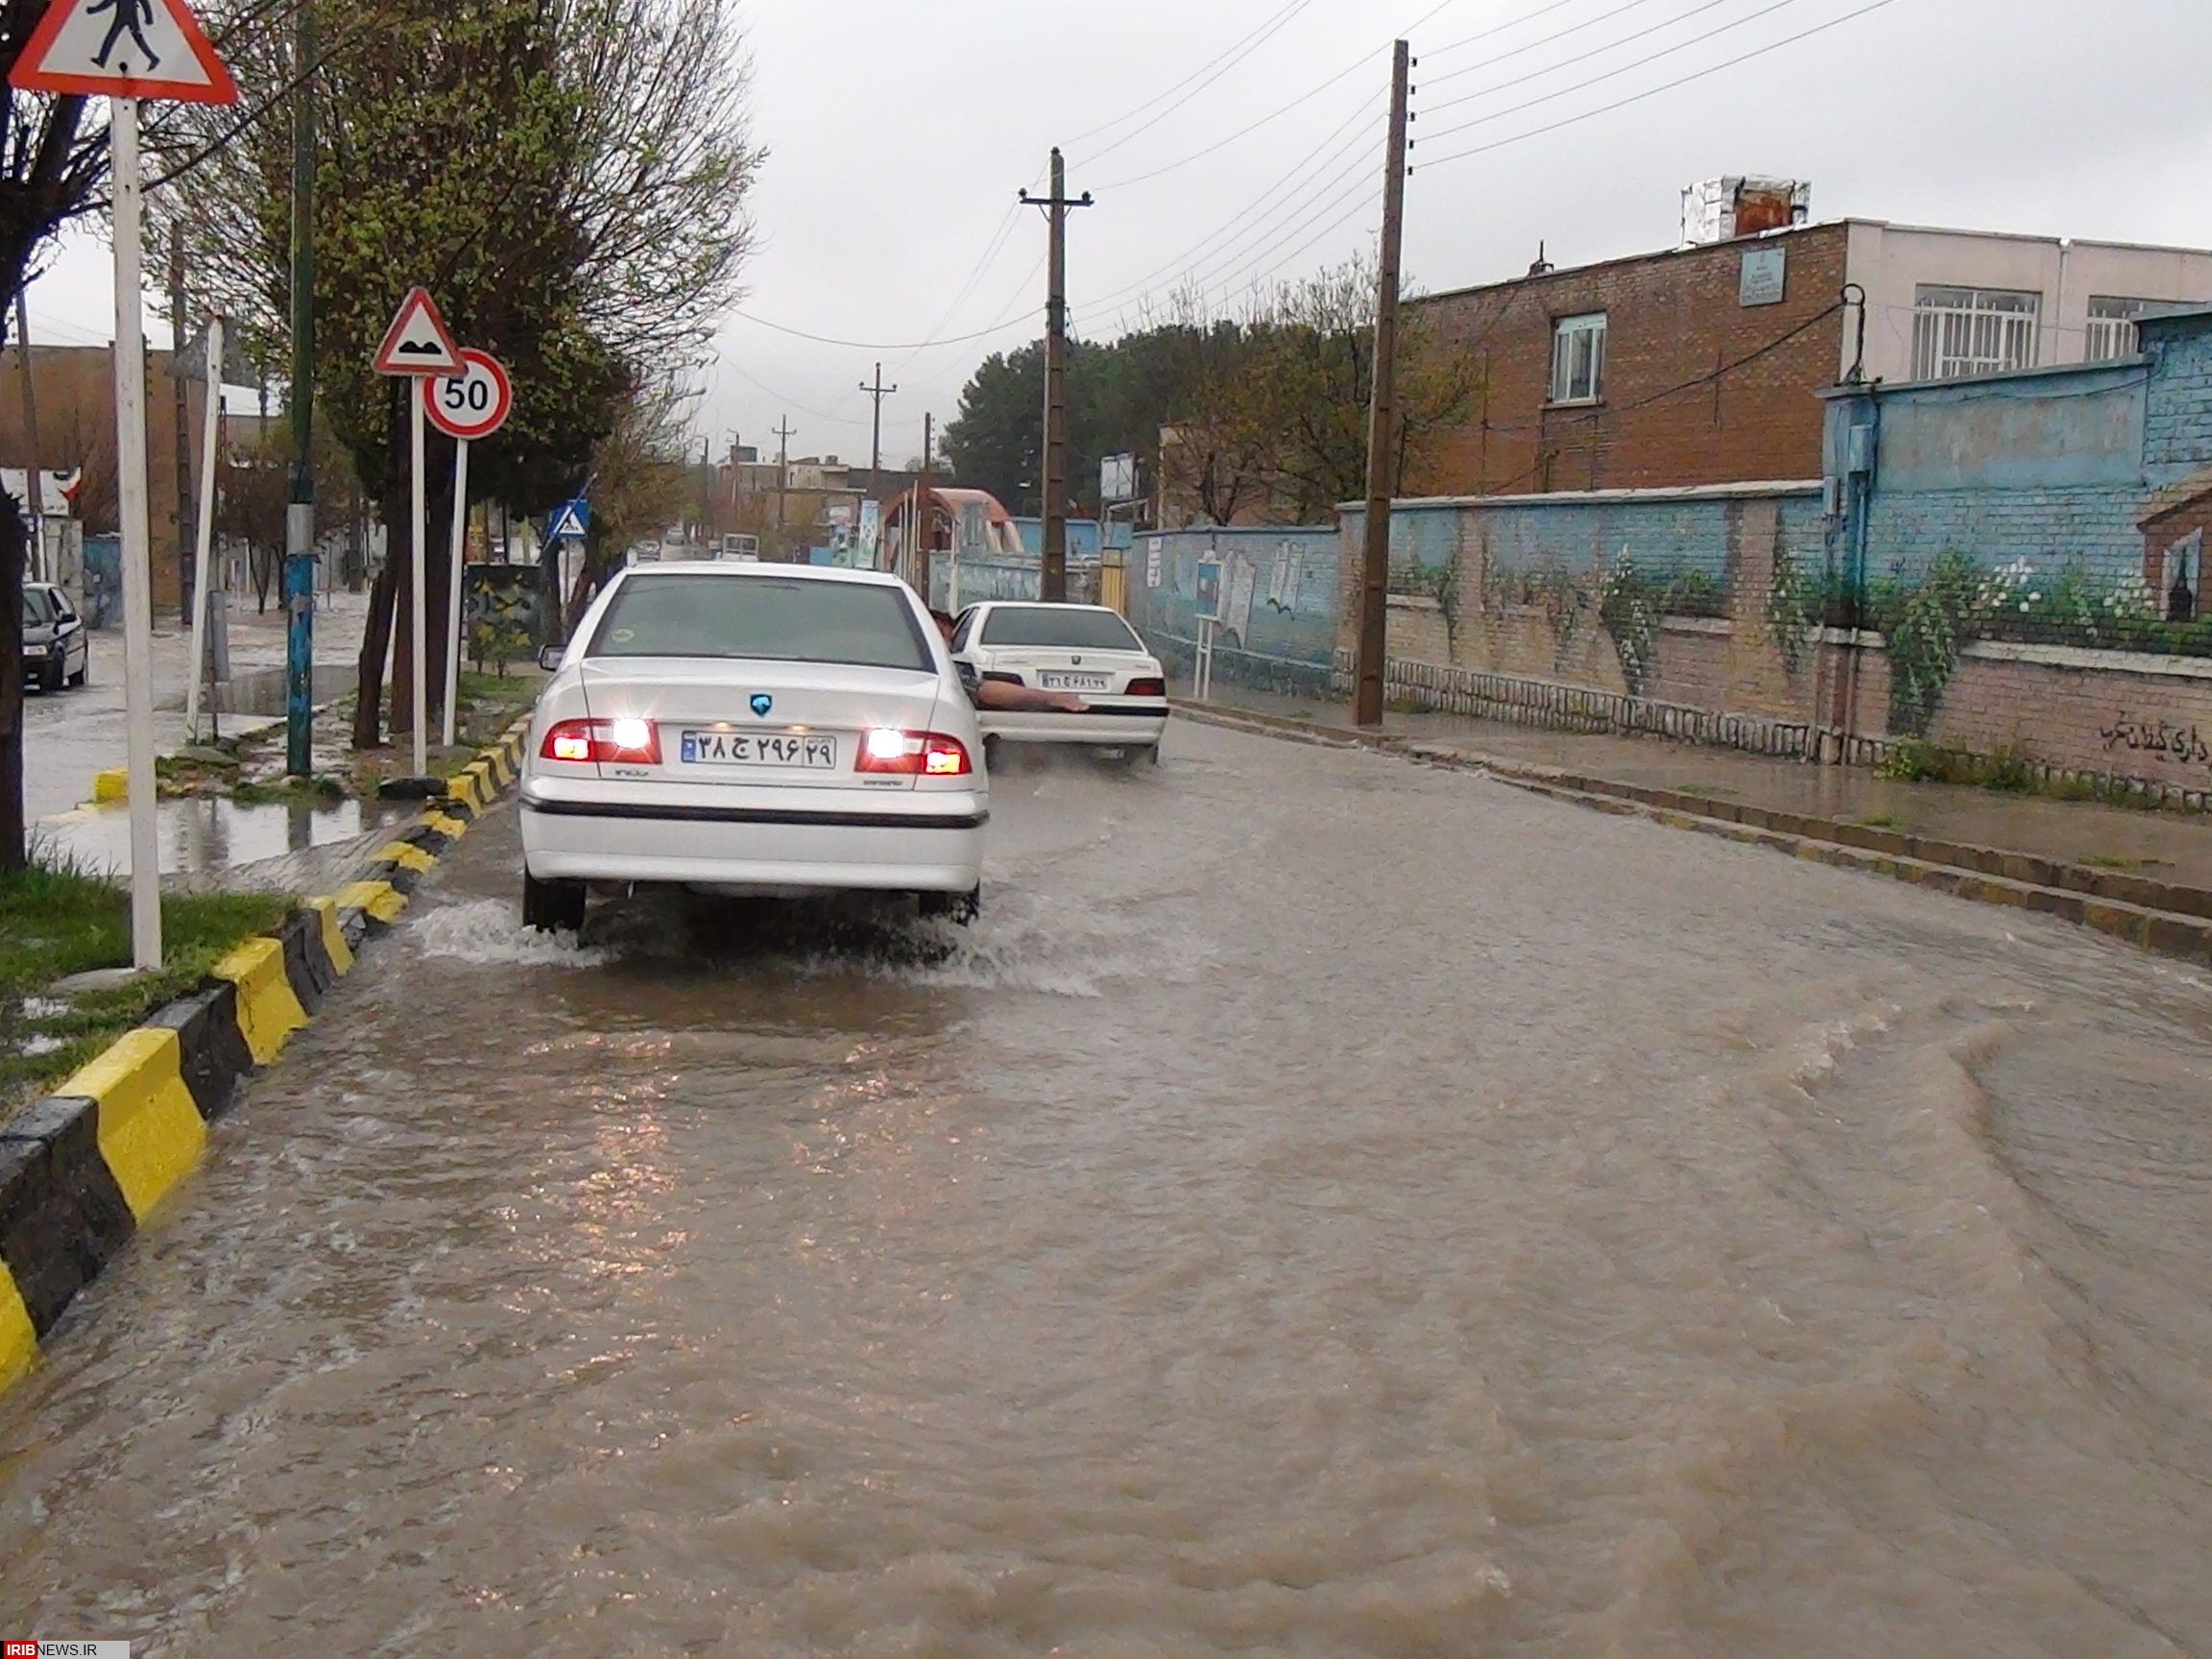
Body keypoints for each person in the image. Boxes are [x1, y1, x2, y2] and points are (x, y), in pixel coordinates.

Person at [931, 610, 1085, 712]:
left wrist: (1052, 698)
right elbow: (983, 691)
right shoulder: (942, 666)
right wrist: (1051, 698)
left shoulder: (939, 664)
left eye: (940, 632)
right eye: (936, 632)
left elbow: (982, 690)